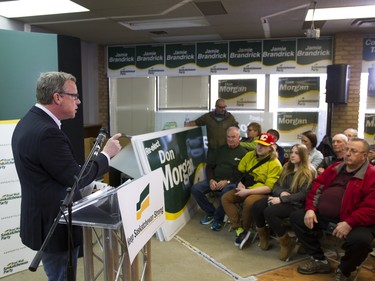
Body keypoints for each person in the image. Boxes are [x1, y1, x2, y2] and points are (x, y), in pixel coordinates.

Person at [11, 72, 122, 281]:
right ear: (57, 97)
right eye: (74, 95)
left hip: (42, 219)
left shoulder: (29, 121)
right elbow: (76, 178)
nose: (78, 101)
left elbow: (60, 171)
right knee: (60, 276)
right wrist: (107, 154)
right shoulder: (47, 133)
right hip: (54, 224)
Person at [289, 138, 375, 281]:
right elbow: (316, 187)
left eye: (353, 151)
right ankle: (319, 260)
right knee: (298, 217)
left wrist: (349, 222)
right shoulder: (335, 168)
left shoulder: (372, 175)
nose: (347, 153)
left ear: (364, 156)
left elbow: (371, 208)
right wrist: (310, 209)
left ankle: (345, 270)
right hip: (327, 216)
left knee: (360, 241)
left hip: (357, 221)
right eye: (347, 149)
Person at [252, 144, 316, 260]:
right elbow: (276, 185)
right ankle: (263, 234)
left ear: (303, 155)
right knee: (257, 206)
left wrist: (282, 199)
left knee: (269, 211)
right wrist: (280, 194)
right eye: (291, 152)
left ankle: (286, 241)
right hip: (282, 198)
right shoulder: (287, 166)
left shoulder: (308, 171)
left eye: (296, 153)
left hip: (296, 205)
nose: (292, 155)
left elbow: (303, 194)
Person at [221, 133, 283, 249]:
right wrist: (240, 182)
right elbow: (239, 171)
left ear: (271, 147)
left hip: (261, 191)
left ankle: (246, 228)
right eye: (258, 144)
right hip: (245, 186)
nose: (260, 147)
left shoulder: (275, 164)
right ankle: (238, 228)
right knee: (226, 198)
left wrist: (247, 192)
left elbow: (269, 187)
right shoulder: (249, 155)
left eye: (264, 145)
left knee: (249, 202)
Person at [191, 127, 247, 231]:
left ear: (239, 137)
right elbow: (209, 166)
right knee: (196, 188)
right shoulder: (220, 150)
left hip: (232, 183)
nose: (230, 139)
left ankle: (218, 219)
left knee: (224, 194)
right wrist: (211, 180)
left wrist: (227, 181)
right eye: (228, 137)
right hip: (215, 180)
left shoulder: (244, 153)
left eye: (233, 137)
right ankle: (210, 212)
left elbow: (242, 174)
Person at [185, 98, 238, 164]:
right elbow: (196, 122)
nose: (223, 109)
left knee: (223, 168)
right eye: (221, 107)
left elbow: (236, 129)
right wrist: (187, 124)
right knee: (210, 168)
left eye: (224, 107)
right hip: (212, 150)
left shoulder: (229, 117)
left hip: (225, 150)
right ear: (216, 106)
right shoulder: (208, 117)